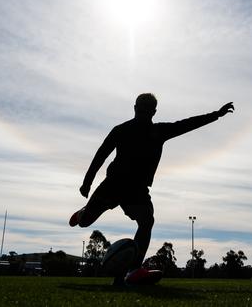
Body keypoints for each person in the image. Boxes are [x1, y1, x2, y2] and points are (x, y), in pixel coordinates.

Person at [70, 93, 234, 284]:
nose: (142, 112)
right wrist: (87, 182)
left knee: (147, 221)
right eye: (141, 109)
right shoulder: (122, 130)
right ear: (136, 109)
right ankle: (83, 214)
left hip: (136, 190)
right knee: (85, 223)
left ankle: (133, 270)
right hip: (113, 184)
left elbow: (187, 124)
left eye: (145, 109)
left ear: (151, 111)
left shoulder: (158, 131)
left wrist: (216, 115)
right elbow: (101, 154)